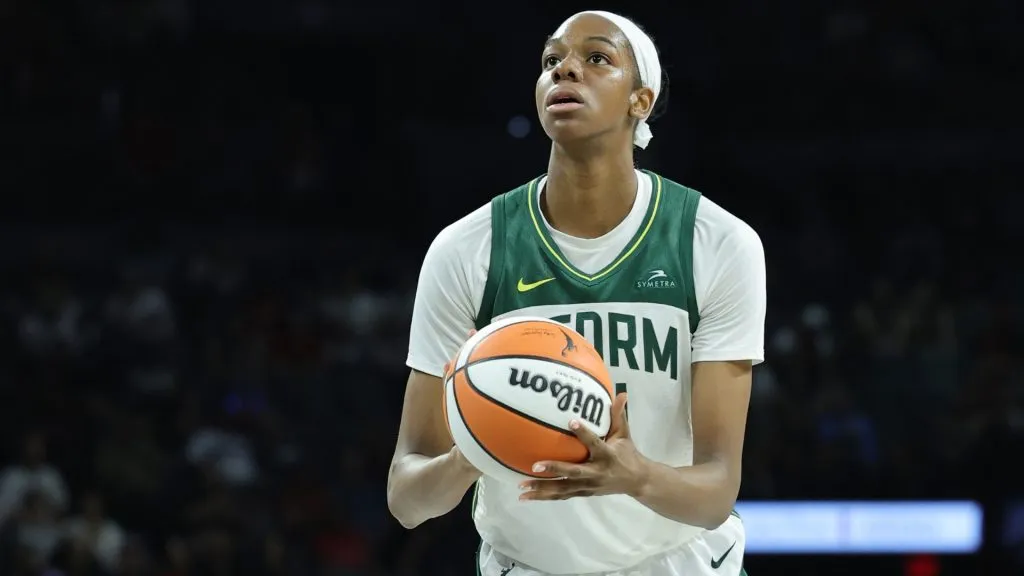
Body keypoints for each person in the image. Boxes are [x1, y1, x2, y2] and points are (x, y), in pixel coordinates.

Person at [387, 9, 765, 576]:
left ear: (641, 100)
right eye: (551, 60)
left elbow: (715, 492)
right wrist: (471, 451)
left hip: (676, 563)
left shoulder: (715, 242)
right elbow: (407, 500)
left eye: (596, 58)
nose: (565, 70)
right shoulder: (467, 249)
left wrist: (634, 475)